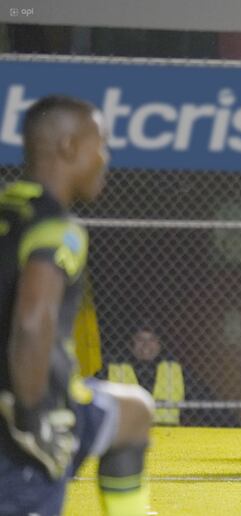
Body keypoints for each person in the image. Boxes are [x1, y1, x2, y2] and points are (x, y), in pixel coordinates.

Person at [0, 95, 154, 515]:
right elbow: (32, 324)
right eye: (100, 143)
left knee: (134, 411)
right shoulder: (57, 230)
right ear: (68, 147)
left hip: (54, 402)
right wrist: (34, 422)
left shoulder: (9, 207)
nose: (105, 157)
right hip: (30, 421)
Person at [108, 327, 185, 426]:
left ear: (159, 344)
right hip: (127, 432)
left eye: (152, 339)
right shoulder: (115, 368)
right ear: (130, 344)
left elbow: (199, 397)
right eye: (140, 339)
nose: (146, 345)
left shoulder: (173, 369)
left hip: (167, 432)